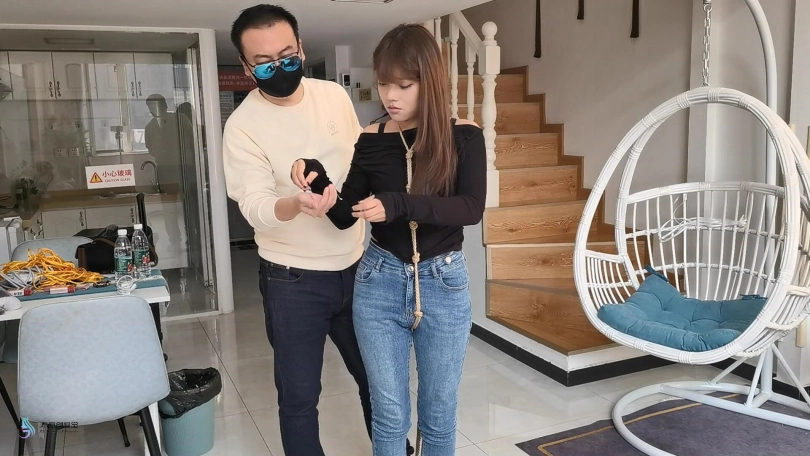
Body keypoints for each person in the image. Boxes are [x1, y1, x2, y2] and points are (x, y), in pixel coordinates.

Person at [222, 4, 413, 455]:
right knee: (300, 398)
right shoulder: (242, 126)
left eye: (287, 56)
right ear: (247, 67)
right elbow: (254, 207)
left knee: (379, 384)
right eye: (264, 63)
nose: (279, 68)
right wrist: (296, 203)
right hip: (293, 280)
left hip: (359, 268)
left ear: (302, 49)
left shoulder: (332, 96)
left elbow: (358, 160)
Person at [292, 23, 486, 456]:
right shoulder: (371, 139)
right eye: (383, 84)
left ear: (429, 82)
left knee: (438, 413)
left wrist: (398, 204)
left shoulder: (464, 136)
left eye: (404, 85)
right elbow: (345, 215)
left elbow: (470, 208)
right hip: (378, 282)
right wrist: (318, 178)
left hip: (444, 283)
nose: (390, 96)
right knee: (389, 413)